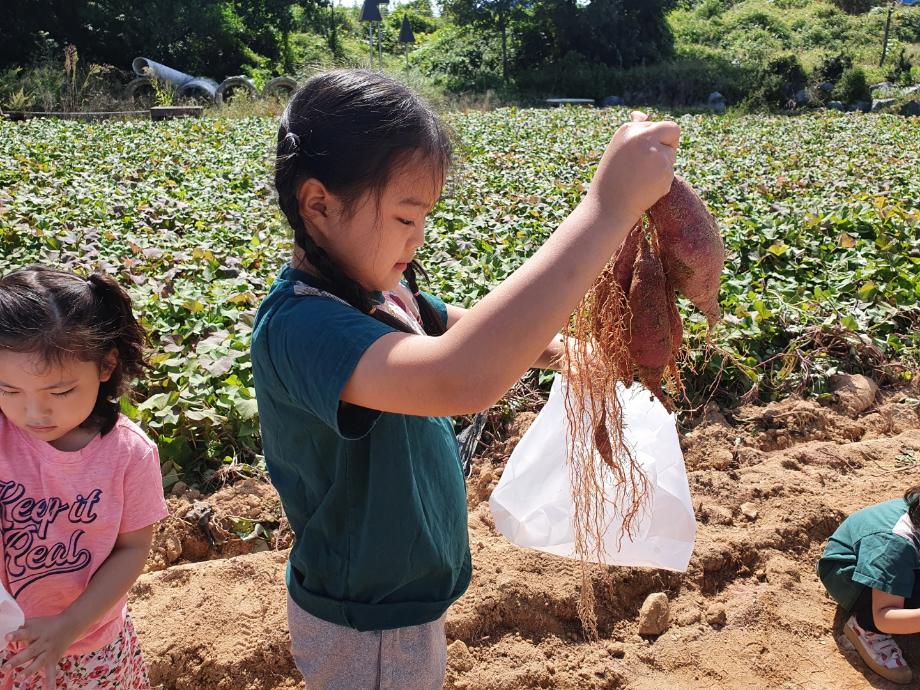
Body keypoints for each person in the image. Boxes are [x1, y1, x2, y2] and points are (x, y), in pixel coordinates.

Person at [250, 68, 679, 689]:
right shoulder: (303, 328)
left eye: (424, 217)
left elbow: (451, 325)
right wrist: (606, 209)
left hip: (402, 601)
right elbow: (459, 375)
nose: (417, 238)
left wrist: (559, 347)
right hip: (366, 623)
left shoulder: (377, 293)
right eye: (404, 217)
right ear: (319, 204)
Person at [0, 267, 168, 689]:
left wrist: (70, 624)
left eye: (59, 393)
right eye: (9, 391)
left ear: (106, 364)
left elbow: (132, 550)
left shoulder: (130, 455)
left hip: (91, 645)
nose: (34, 414)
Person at [818, 487, 920, 685]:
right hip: (851, 574)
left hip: (894, 558)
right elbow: (884, 616)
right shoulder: (897, 543)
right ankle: (863, 626)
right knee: (907, 598)